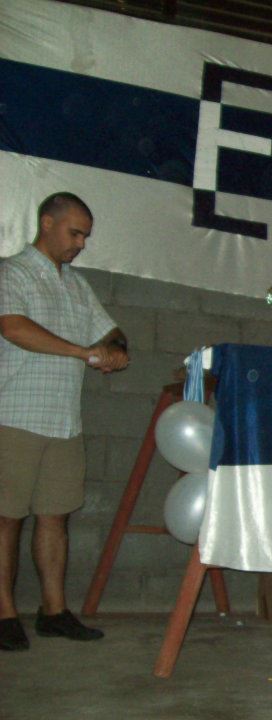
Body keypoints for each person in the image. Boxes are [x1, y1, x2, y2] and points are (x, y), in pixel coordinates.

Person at [0, 192, 129, 652]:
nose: (81, 244)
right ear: (47, 223)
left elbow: (110, 330)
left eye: (86, 236)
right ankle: (4, 614)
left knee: (55, 518)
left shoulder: (76, 285)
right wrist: (82, 351)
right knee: (5, 519)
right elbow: (12, 327)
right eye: (75, 233)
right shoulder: (11, 272)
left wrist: (116, 349)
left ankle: (53, 611)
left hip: (63, 421)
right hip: (13, 414)